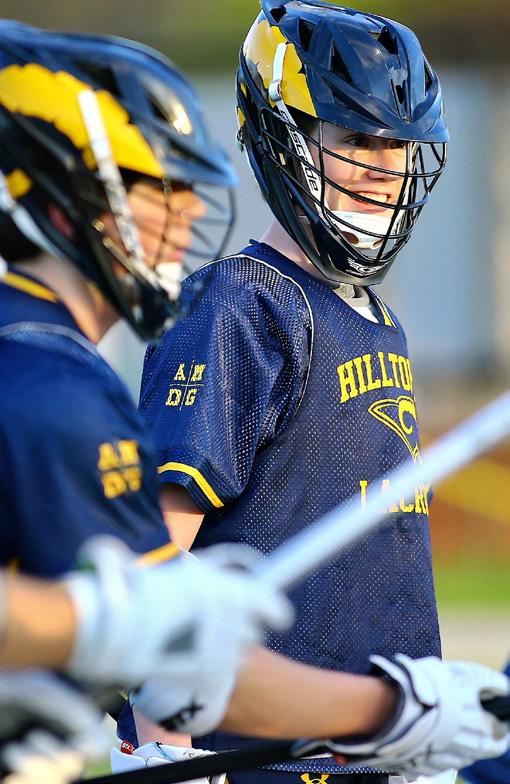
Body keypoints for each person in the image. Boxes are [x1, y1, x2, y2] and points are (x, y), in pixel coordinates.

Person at [0, 18, 508, 784]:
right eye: (357, 139)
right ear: (288, 141)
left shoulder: (380, 320)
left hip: (374, 742)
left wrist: (407, 716)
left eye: (397, 145)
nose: (382, 167)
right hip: (264, 751)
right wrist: (163, 739)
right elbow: (160, 570)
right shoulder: (242, 301)